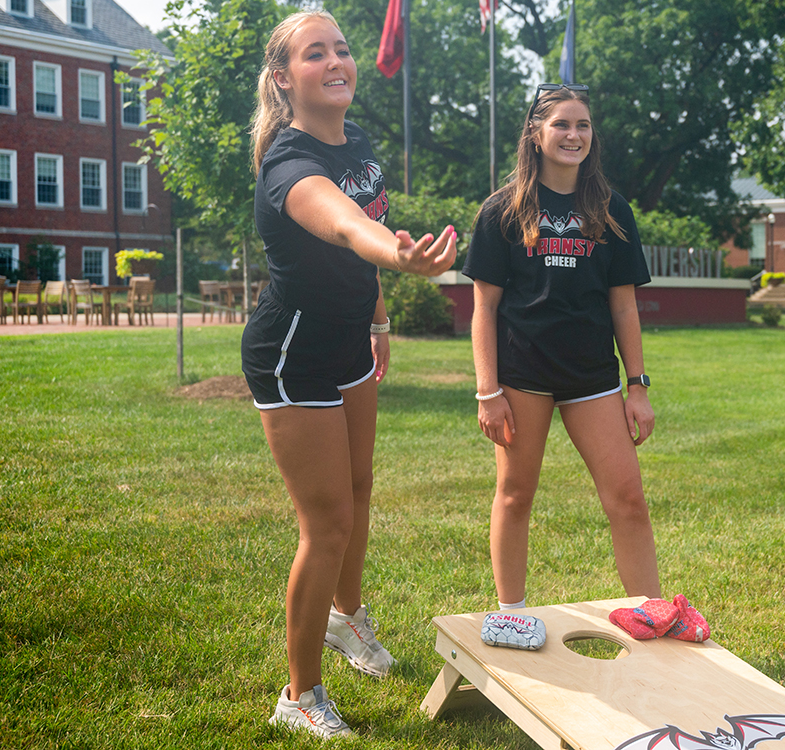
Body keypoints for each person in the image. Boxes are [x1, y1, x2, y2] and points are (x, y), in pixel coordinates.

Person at [243, 10, 456, 739]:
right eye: (315, 53)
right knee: (326, 523)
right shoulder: (289, 164)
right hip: (292, 351)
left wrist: (379, 318)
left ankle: (344, 618)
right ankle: (299, 695)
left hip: (349, 343)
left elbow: (360, 220)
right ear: (284, 78)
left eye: (341, 49)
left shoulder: (357, 144)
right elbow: (345, 224)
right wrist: (395, 256)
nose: (337, 61)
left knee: (360, 492)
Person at [463, 83, 661, 613]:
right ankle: (513, 615)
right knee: (515, 495)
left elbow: (624, 307)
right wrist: (488, 390)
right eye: (561, 125)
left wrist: (636, 386)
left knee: (628, 499)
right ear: (535, 133)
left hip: (591, 377)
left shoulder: (611, 209)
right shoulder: (503, 210)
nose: (574, 135)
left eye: (583, 126)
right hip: (521, 374)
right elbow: (483, 308)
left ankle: (650, 612)